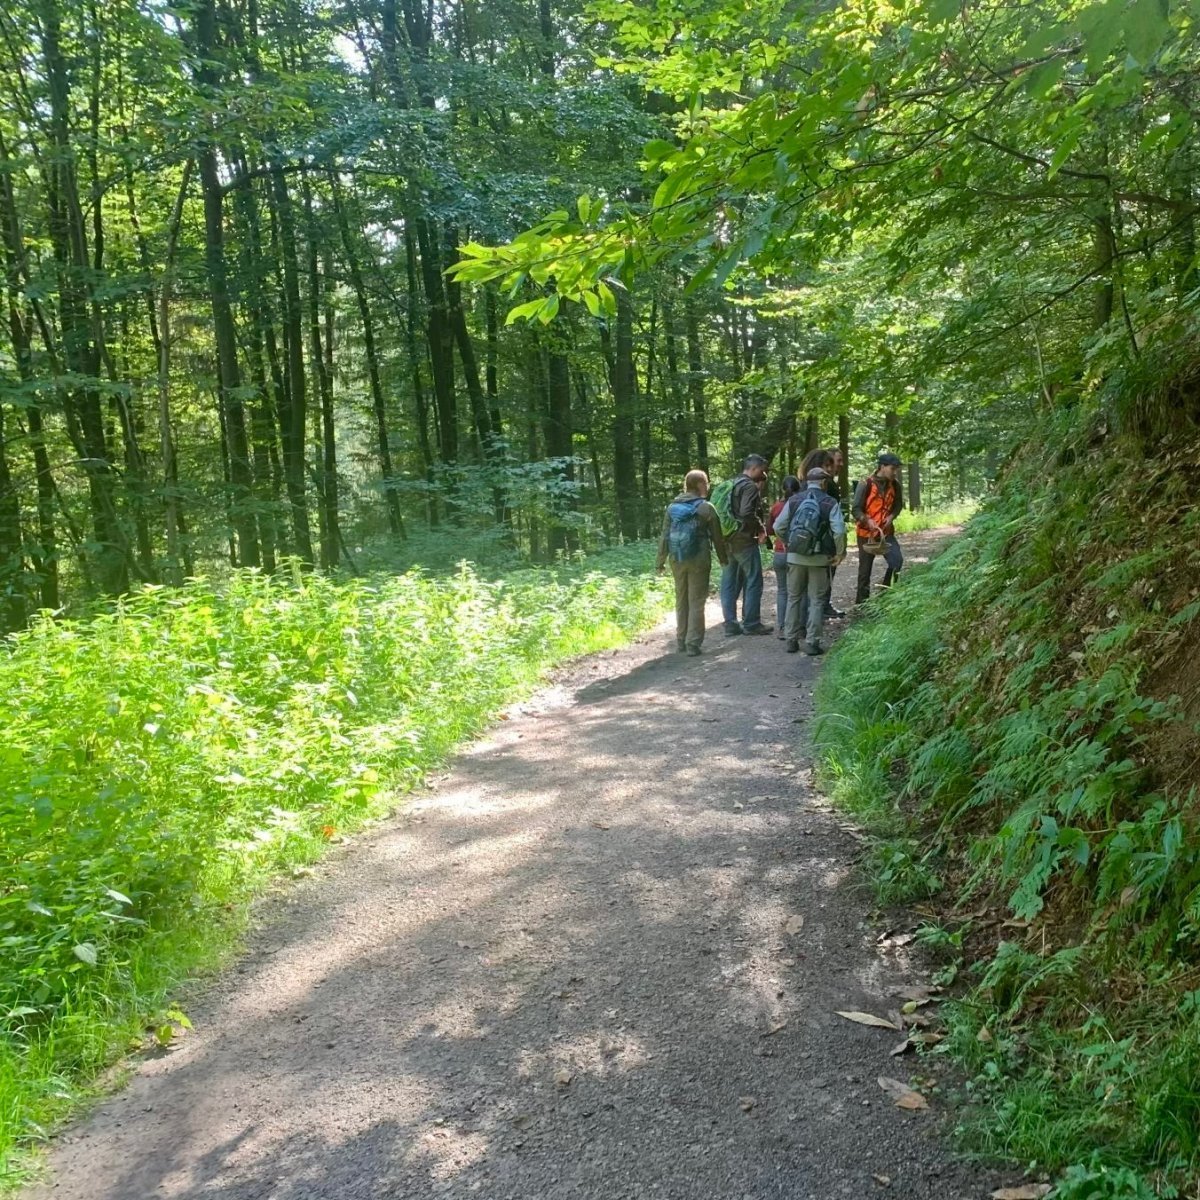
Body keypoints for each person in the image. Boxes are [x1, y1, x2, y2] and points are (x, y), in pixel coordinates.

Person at [656, 469, 729, 656]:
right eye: (706, 483)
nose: (708, 486)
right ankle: (693, 643)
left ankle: (680, 640)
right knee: (696, 600)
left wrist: (660, 562)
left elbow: (665, 536)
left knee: (681, 598)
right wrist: (723, 559)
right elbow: (717, 538)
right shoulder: (706, 508)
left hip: (677, 558)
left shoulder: (672, 508)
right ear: (699, 485)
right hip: (699, 558)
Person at [782, 467, 846, 655]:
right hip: (819, 558)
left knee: (793, 597)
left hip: (795, 557)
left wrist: (789, 543)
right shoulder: (829, 502)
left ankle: (791, 640)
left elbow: (779, 525)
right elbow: (839, 531)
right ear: (824, 483)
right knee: (817, 601)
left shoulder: (794, 500)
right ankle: (812, 642)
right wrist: (840, 553)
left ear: (806, 481)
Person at [719, 454, 772, 636]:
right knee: (754, 579)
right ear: (755, 468)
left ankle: (730, 624)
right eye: (762, 470)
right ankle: (751, 623)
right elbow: (746, 512)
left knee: (728, 582)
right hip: (743, 540)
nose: (763, 473)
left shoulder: (732, 483)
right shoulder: (749, 486)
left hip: (726, 539)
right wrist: (760, 528)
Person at [853, 452, 905, 604]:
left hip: (886, 533)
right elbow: (855, 509)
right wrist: (866, 519)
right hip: (866, 534)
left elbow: (898, 506)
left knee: (897, 562)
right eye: (892, 468)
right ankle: (861, 605)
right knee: (865, 571)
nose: (895, 472)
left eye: (896, 469)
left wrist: (892, 516)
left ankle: (885, 596)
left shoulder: (895, 485)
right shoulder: (865, 484)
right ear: (882, 467)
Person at [766, 476, 802, 639]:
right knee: (798, 592)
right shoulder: (800, 505)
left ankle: (781, 627)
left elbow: (770, 530)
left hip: (779, 552)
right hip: (796, 553)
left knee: (782, 591)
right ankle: (797, 628)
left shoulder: (776, 507)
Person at [824, 447, 848, 620]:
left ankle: (823, 606)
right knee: (826, 574)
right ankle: (822, 607)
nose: (841, 464)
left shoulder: (820, 481)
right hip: (827, 538)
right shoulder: (828, 484)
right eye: (838, 460)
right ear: (829, 462)